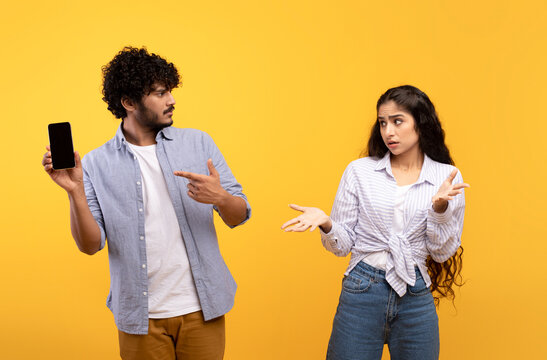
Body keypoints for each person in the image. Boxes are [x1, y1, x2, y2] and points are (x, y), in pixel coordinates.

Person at [42, 47, 251, 360]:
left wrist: (220, 198)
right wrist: (74, 191)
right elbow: (89, 245)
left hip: (202, 308)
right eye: (160, 93)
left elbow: (239, 216)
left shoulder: (198, 143)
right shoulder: (97, 163)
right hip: (140, 316)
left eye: (170, 91)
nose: (172, 100)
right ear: (129, 102)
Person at [282, 85, 468, 360]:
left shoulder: (447, 177)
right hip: (363, 288)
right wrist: (327, 224)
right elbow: (342, 246)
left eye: (397, 121)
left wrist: (440, 210)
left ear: (420, 122)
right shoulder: (360, 171)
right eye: (383, 123)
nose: (388, 132)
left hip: (415, 291)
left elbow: (441, 252)